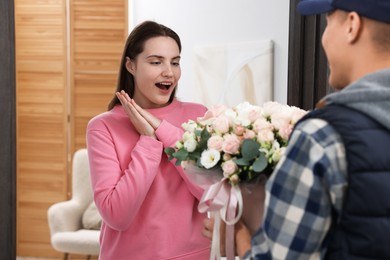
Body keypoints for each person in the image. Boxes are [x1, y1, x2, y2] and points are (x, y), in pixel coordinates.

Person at [202, 0, 390, 259]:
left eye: (327, 22)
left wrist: (238, 238)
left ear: (352, 26)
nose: (324, 38)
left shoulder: (323, 136)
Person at [86, 20, 211, 260]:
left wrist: (164, 130)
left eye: (175, 62)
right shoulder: (103, 127)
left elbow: (211, 192)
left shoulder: (197, 115)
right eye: (156, 62)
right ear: (131, 65)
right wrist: (149, 141)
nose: (169, 72)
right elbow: (117, 215)